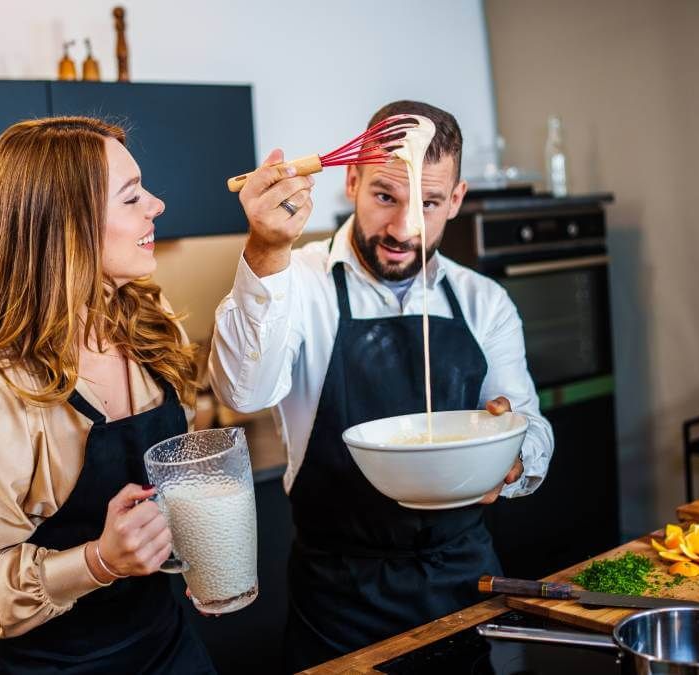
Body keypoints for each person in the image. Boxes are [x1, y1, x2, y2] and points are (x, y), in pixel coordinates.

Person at [208, 100, 555, 671]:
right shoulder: (295, 281)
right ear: (352, 179)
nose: (403, 228)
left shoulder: (482, 301)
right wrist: (267, 250)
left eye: (429, 203)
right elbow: (243, 393)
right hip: (341, 595)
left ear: (458, 200)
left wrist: (514, 455)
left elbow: (531, 425)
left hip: (464, 576)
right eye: (385, 197)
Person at [0, 117, 215, 674]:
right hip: (54, 665)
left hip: (167, 645)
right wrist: (100, 560)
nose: (156, 205)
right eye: (132, 196)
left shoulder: (151, 325)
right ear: (67, 227)